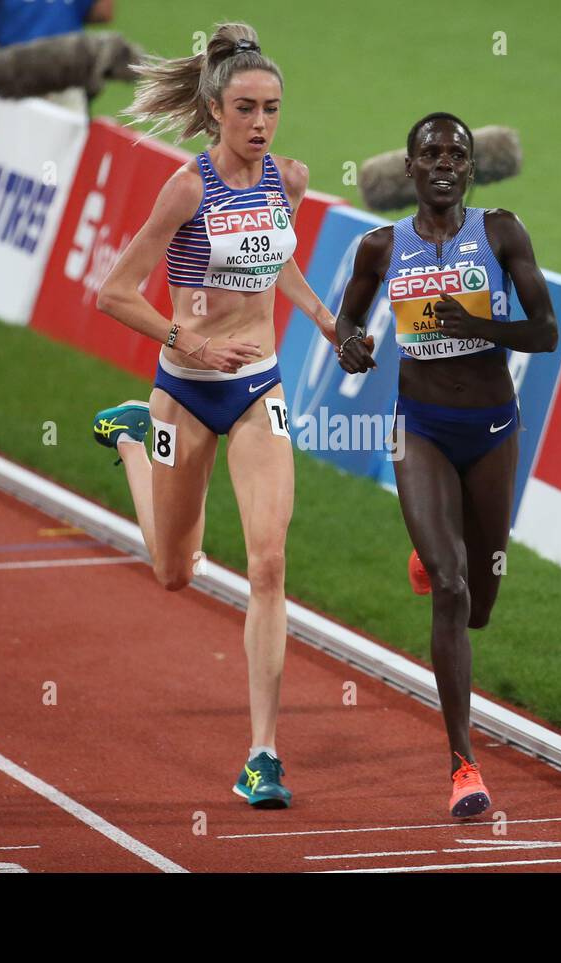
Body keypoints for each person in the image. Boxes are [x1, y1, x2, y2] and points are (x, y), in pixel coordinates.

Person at [91, 23, 339, 809]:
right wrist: (187, 342)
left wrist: (328, 320)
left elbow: (280, 258)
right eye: (245, 108)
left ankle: (263, 753)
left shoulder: (288, 179)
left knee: (268, 565)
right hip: (185, 390)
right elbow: (115, 291)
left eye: (271, 108)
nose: (261, 124)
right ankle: (135, 438)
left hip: (259, 389)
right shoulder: (188, 188)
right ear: (214, 108)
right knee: (174, 571)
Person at [335, 112, 557, 817]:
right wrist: (353, 346)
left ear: (471, 168)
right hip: (419, 429)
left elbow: (545, 331)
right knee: (453, 589)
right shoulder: (379, 247)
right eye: (429, 153)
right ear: (409, 168)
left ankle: (437, 555)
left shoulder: (501, 232)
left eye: (455, 154)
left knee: (481, 606)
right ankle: (464, 764)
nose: (442, 163)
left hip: (492, 430)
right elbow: (347, 325)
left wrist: (478, 326)